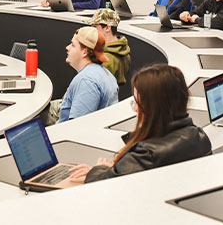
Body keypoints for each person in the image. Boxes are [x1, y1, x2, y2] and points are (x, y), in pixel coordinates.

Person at [69, 64, 211, 183]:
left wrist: (98, 169)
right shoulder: (198, 136)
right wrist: (118, 168)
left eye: (137, 102)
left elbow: (105, 185)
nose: (135, 109)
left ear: (153, 108)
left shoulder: (146, 155)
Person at [57, 27, 119, 123]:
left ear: (84, 52)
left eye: (73, 45)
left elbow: (77, 127)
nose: (67, 48)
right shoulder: (105, 73)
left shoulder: (86, 81)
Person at [85, 8, 132, 85]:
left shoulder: (104, 61)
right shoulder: (124, 52)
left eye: (95, 27)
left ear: (107, 28)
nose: (91, 31)